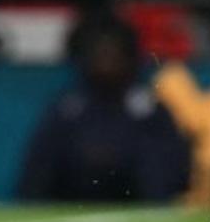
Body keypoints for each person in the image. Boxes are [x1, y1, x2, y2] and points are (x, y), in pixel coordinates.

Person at [17, 10, 191, 201]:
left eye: (113, 53)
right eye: (100, 53)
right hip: (74, 201)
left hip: (137, 204)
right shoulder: (68, 108)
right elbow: (36, 173)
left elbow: (175, 171)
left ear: (127, 57)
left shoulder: (148, 109)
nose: (106, 62)